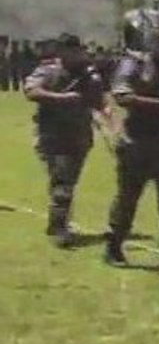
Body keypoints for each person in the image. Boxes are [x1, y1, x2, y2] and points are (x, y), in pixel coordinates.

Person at [103, 11, 159, 277]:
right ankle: (114, 246)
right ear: (151, 43)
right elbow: (122, 96)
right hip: (136, 144)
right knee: (127, 200)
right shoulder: (134, 65)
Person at [24, 33, 109, 247]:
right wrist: (62, 99)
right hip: (52, 136)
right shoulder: (48, 70)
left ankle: (56, 224)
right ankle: (60, 229)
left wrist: (96, 88)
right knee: (63, 182)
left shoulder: (88, 74)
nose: (77, 55)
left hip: (79, 136)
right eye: (72, 51)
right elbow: (32, 91)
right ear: (61, 51)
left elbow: (98, 103)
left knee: (65, 182)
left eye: (78, 50)